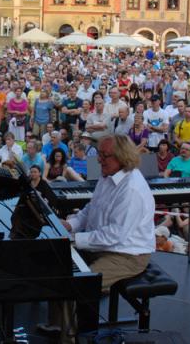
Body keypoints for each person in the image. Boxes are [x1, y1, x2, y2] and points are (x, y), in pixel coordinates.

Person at [39, 135, 155, 340]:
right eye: (99, 153)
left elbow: (114, 235)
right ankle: (57, 325)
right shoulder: (108, 175)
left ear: (122, 157)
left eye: (104, 155)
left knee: (77, 285)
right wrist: (71, 224)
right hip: (104, 244)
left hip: (128, 254)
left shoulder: (131, 189)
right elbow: (92, 208)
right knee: (57, 262)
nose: (99, 159)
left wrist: (75, 239)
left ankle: (70, 338)